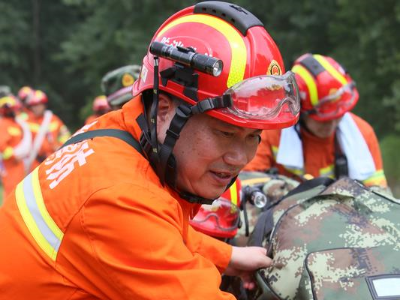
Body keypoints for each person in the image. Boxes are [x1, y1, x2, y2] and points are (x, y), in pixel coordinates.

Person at [0, 2, 300, 299]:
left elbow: (159, 229)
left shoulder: (114, 133)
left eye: (253, 136)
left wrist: (228, 256)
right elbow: (135, 224)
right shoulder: (117, 196)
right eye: (225, 132)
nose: (240, 158)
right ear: (166, 109)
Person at [245, 53, 388, 188]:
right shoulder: (272, 133)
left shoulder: (362, 134)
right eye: (324, 120)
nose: (332, 125)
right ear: (301, 112)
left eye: (338, 116)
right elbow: (248, 182)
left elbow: (378, 192)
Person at [25, 89, 71, 171]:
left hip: (56, 160)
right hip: (36, 163)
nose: (36, 108)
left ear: (44, 105)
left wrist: (60, 147)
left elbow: (65, 135)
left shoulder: (54, 119)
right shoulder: (26, 122)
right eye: (34, 105)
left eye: (39, 105)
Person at [0, 95, 32, 199]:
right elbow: (2, 146)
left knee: (20, 193)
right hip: (10, 165)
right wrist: (14, 156)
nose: (15, 111)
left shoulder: (16, 124)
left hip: (20, 164)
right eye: (13, 109)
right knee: (11, 194)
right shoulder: (3, 124)